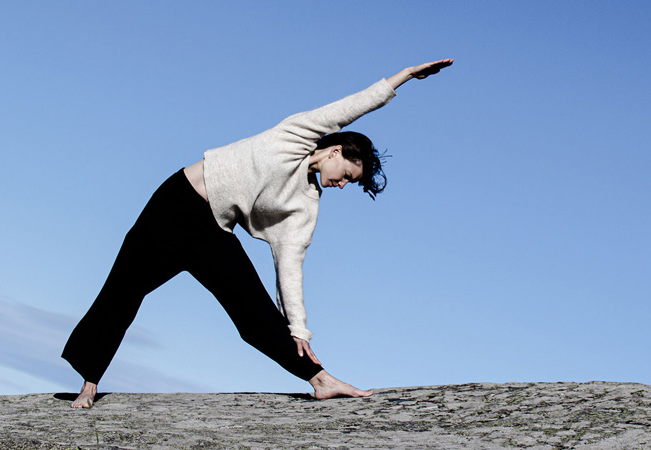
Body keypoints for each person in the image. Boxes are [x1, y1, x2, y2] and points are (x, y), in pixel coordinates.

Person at [61, 58, 454, 408]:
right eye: (347, 175)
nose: (342, 184)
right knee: (123, 290)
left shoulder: (304, 206)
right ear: (335, 151)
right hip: (174, 205)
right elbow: (350, 107)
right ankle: (89, 383)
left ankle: (321, 380)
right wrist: (403, 77)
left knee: (255, 314)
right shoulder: (297, 135)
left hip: (211, 231)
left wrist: (298, 328)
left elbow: (291, 266)